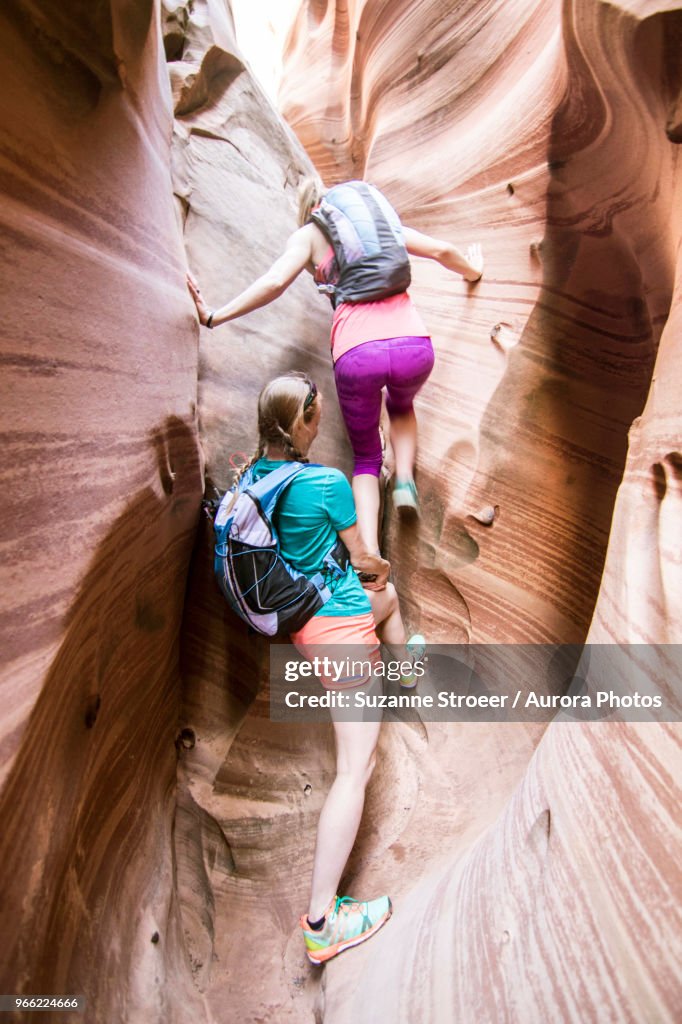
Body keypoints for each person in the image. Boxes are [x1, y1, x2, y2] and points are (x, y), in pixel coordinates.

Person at [187, 178, 483, 553]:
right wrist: (473, 271)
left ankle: (371, 557)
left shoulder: (308, 236)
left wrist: (214, 316)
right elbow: (442, 250)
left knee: (366, 457)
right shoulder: (376, 225)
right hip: (413, 345)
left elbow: (276, 281)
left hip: (357, 353)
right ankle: (405, 478)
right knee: (401, 405)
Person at [239, 370, 420, 964]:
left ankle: (406, 671)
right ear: (307, 422)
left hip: (302, 624)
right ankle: (322, 921)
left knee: (387, 604)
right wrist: (380, 564)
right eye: (318, 415)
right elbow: (361, 560)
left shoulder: (253, 478)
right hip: (339, 630)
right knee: (354, 768)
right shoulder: (325, 483)